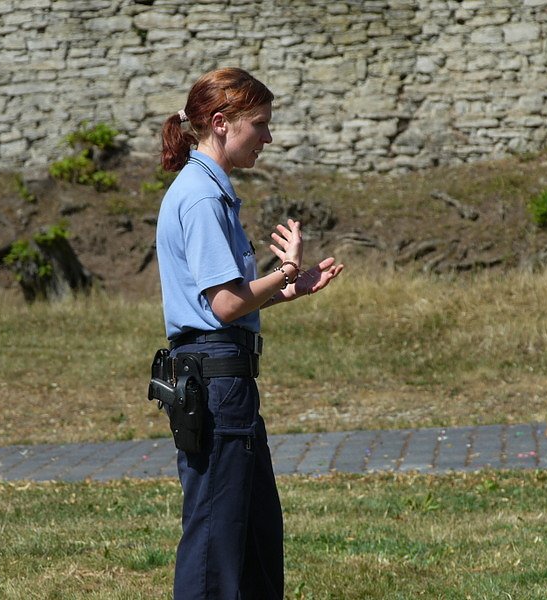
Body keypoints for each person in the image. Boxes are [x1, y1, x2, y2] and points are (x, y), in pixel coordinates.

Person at [155, 67, 344, 600]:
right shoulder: (200, 197)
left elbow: (225, 302)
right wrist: (282, 270)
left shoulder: (209, 190)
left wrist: (289, 289)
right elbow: (225, 303)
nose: (268, 136)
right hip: (216, 387)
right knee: (217, 539)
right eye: (259, 124)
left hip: (224, 383)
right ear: (220, 123)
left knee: (254, 535)